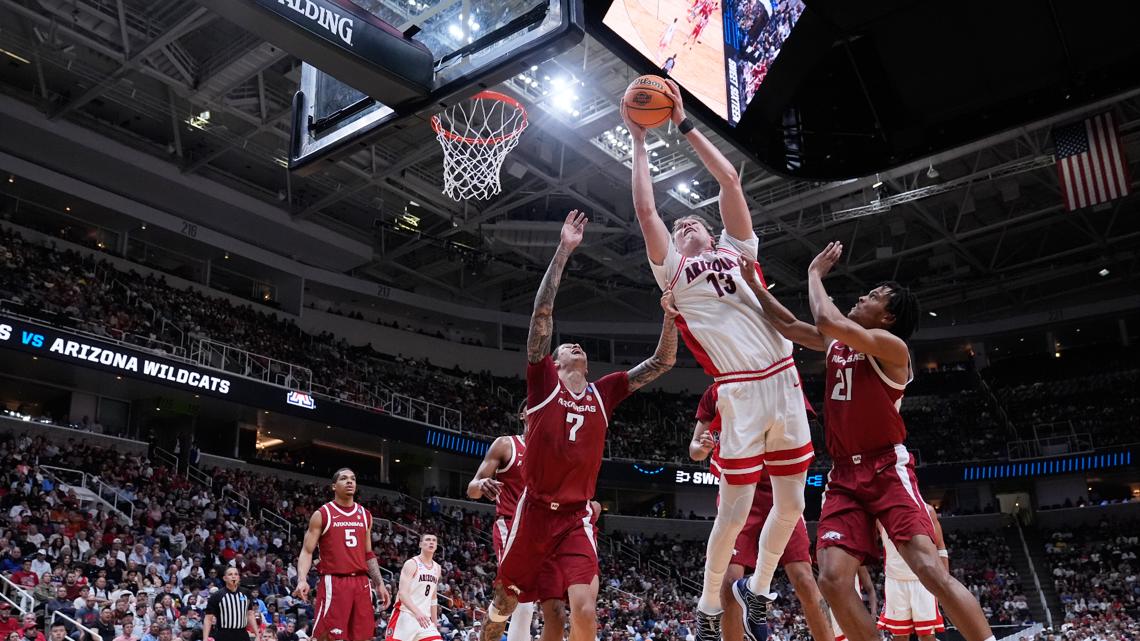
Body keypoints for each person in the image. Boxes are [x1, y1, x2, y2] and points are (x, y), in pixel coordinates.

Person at [624, 80, 812, 641]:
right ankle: (708, 606)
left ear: (712, 231)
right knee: (732, 515)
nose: (685, 224)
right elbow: (644, 207)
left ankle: (756, 592)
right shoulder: (672, 276)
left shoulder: (740, 251)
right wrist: (637, 142)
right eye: (679, 226)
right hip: (739, 392)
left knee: (794, 504)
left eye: (694, 222)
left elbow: (728, 178)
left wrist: (683, 122)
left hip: (784, 379)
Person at [734, 243, 995, 641]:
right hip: (843, 475)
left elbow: (825, 316)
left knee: (928, 570)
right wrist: (754, 285)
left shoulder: (893, 349)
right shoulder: (839, 342)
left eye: (872, 296)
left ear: (888, 317)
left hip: (886, 467)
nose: (862, 296)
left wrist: (814, 274)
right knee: (834, 579)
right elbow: (788, 325)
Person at [479, 211, 679, 641]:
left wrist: (670, 315)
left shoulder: (603, 393)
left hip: (576, 517)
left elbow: (663, 362)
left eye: (576, 346)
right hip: (532, 514)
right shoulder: (543, 385)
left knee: (584, 610)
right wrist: (564, 249)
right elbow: (543, 312)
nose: (574, 344)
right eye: (565, 346)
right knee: (504, 602)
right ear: (553, 361)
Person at [689, 385, 835, 641]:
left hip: (779, 488)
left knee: (804, 579)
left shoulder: (780, 378)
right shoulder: (715, 392)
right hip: (738, 488)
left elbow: (809, 428)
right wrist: (703, 447)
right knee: (728, 583)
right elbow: (694, 450)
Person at [466, 419, 550, 641]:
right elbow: (471, 489)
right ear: (523, 414)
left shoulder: (549, 453)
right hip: (510, 525)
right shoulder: (506, 444)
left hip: (541, 531)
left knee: (527, 604)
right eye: (532, 406)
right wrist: (482, 485)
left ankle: (493, 617)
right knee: (518, 598)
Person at [293, 468, 391, 641]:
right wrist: (302, 579)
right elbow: (307, 551)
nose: (350, 482)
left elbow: (368, 553)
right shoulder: (323, 514)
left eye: (353, 479)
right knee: (327, 636)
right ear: (333, 486)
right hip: (335, 581)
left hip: (361, 583)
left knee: (362, 636)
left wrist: (379, 583)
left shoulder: (365, 515)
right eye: (344, 478)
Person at [877, 505, 948, 641]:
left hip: (924, 580)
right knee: (899, 636)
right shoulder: (880, 512)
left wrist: (945, 582)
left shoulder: (928, 510)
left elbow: (940, 546)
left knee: (927, 636)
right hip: (895, 579)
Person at [383, 535, 441, 641]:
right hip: (405, 616)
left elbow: (433, 597)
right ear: (420, 544)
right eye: (428, 540)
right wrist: (417, 613)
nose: (431, 542)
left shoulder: (437, 568)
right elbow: (402, 594)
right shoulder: (412, 564)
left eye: (434, 540)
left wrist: (434, 623)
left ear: (436, 545)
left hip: (424, 621)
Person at [203, 568, 257, 641]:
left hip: (242, 633)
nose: (233, 576)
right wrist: (205, 639)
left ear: (239, 578)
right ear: (224, 578)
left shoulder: (246, 593)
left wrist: (257, 634)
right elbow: (208, 619)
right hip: (224, 634)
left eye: (236, 574)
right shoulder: (217, 595)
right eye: (230, 574)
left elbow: (250, 614)